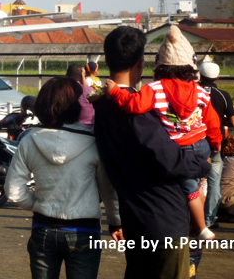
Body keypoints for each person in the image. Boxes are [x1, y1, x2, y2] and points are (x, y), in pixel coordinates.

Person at [93, 26, 211, 279]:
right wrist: (204, 165)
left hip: (133, 217)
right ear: (140, 62)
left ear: (107, 59)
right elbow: (171, 161)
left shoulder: (100, 106)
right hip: (163, 219)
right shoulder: (138, 112)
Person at [5, 76, 121, 279]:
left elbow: (13, 192)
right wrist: (115, 222)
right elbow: (108, 190)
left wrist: (40, 205)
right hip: (84, 232)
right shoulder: (93, 141)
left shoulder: (29, 139)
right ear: (75, 105)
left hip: (43, 230)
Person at [197, 62, 234, 229]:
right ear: (218, 77)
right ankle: (208, 220)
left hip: (194, 141)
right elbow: (233, 122)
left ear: (199, 75)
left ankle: (190, 217)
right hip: (215, 143)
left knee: (192, 180)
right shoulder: (223, 95)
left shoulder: (193, 91)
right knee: (214, 182)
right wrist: (220, 120)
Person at [65, 64, 95, 128]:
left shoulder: (62, 91)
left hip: (68, 127)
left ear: (66, 76)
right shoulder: (91, 91)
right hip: (90, 127)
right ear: (82, 78)